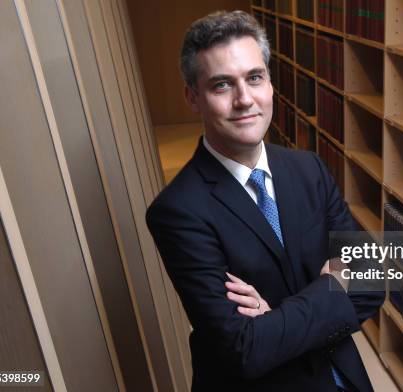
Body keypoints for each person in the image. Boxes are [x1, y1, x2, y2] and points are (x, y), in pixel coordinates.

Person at [146, 10, 383, 391]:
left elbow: (373, 279)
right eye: (222, 85)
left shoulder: (309, 169)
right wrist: (332, 286)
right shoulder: (177, 211)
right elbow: (244, 348)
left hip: (342, 374)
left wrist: (276, 318)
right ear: (193, 97)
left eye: (254, 78)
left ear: (270, 82)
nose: (245, 100)